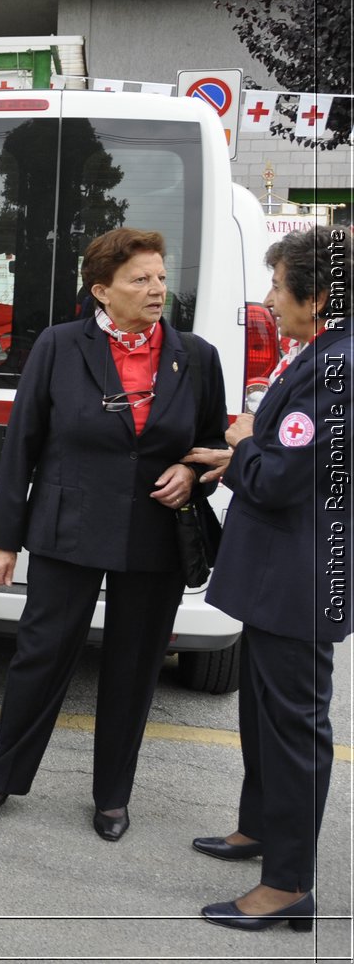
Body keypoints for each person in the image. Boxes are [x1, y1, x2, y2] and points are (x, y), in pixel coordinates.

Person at [0, 227, 226, 839]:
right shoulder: (58, 347)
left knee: (135, 669)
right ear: (102, 291)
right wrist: (6, 539)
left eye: (161, 276)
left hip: (153, 538)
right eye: (141, 279)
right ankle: (1, 776)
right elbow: (22, 446)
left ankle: (113, 794)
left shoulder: (198, 356)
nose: (158, 288)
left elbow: (212, 447)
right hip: (67, 528)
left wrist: (192, 476)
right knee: (41, 657)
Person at [184, 226, 350, 931]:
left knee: (292, 727)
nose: (269, 299)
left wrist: (245, 444)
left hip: (298, 574)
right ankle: (260, 824)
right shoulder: (317, 351)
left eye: (279, 287)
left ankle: (287, 884)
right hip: (280, 566)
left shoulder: (335, 366)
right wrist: (239, 457)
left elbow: (282, 475)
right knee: (260, 709)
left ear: (315, 297)